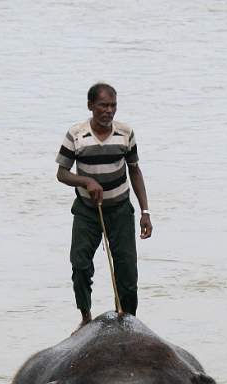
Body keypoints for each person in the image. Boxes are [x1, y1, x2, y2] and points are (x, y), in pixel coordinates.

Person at [56, 83, 152, 330]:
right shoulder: (76, 135)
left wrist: (145, 211)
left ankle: (128, 320)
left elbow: (135, 170)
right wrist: (86, 180)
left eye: (113, 106)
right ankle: (86, 316)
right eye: (103, 105)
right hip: (88, 209)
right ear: (90, 106)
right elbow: (62, 173)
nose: (109, 111)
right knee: (80, 264)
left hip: (120, 208)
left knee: (127, 270)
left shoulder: (125, 133)